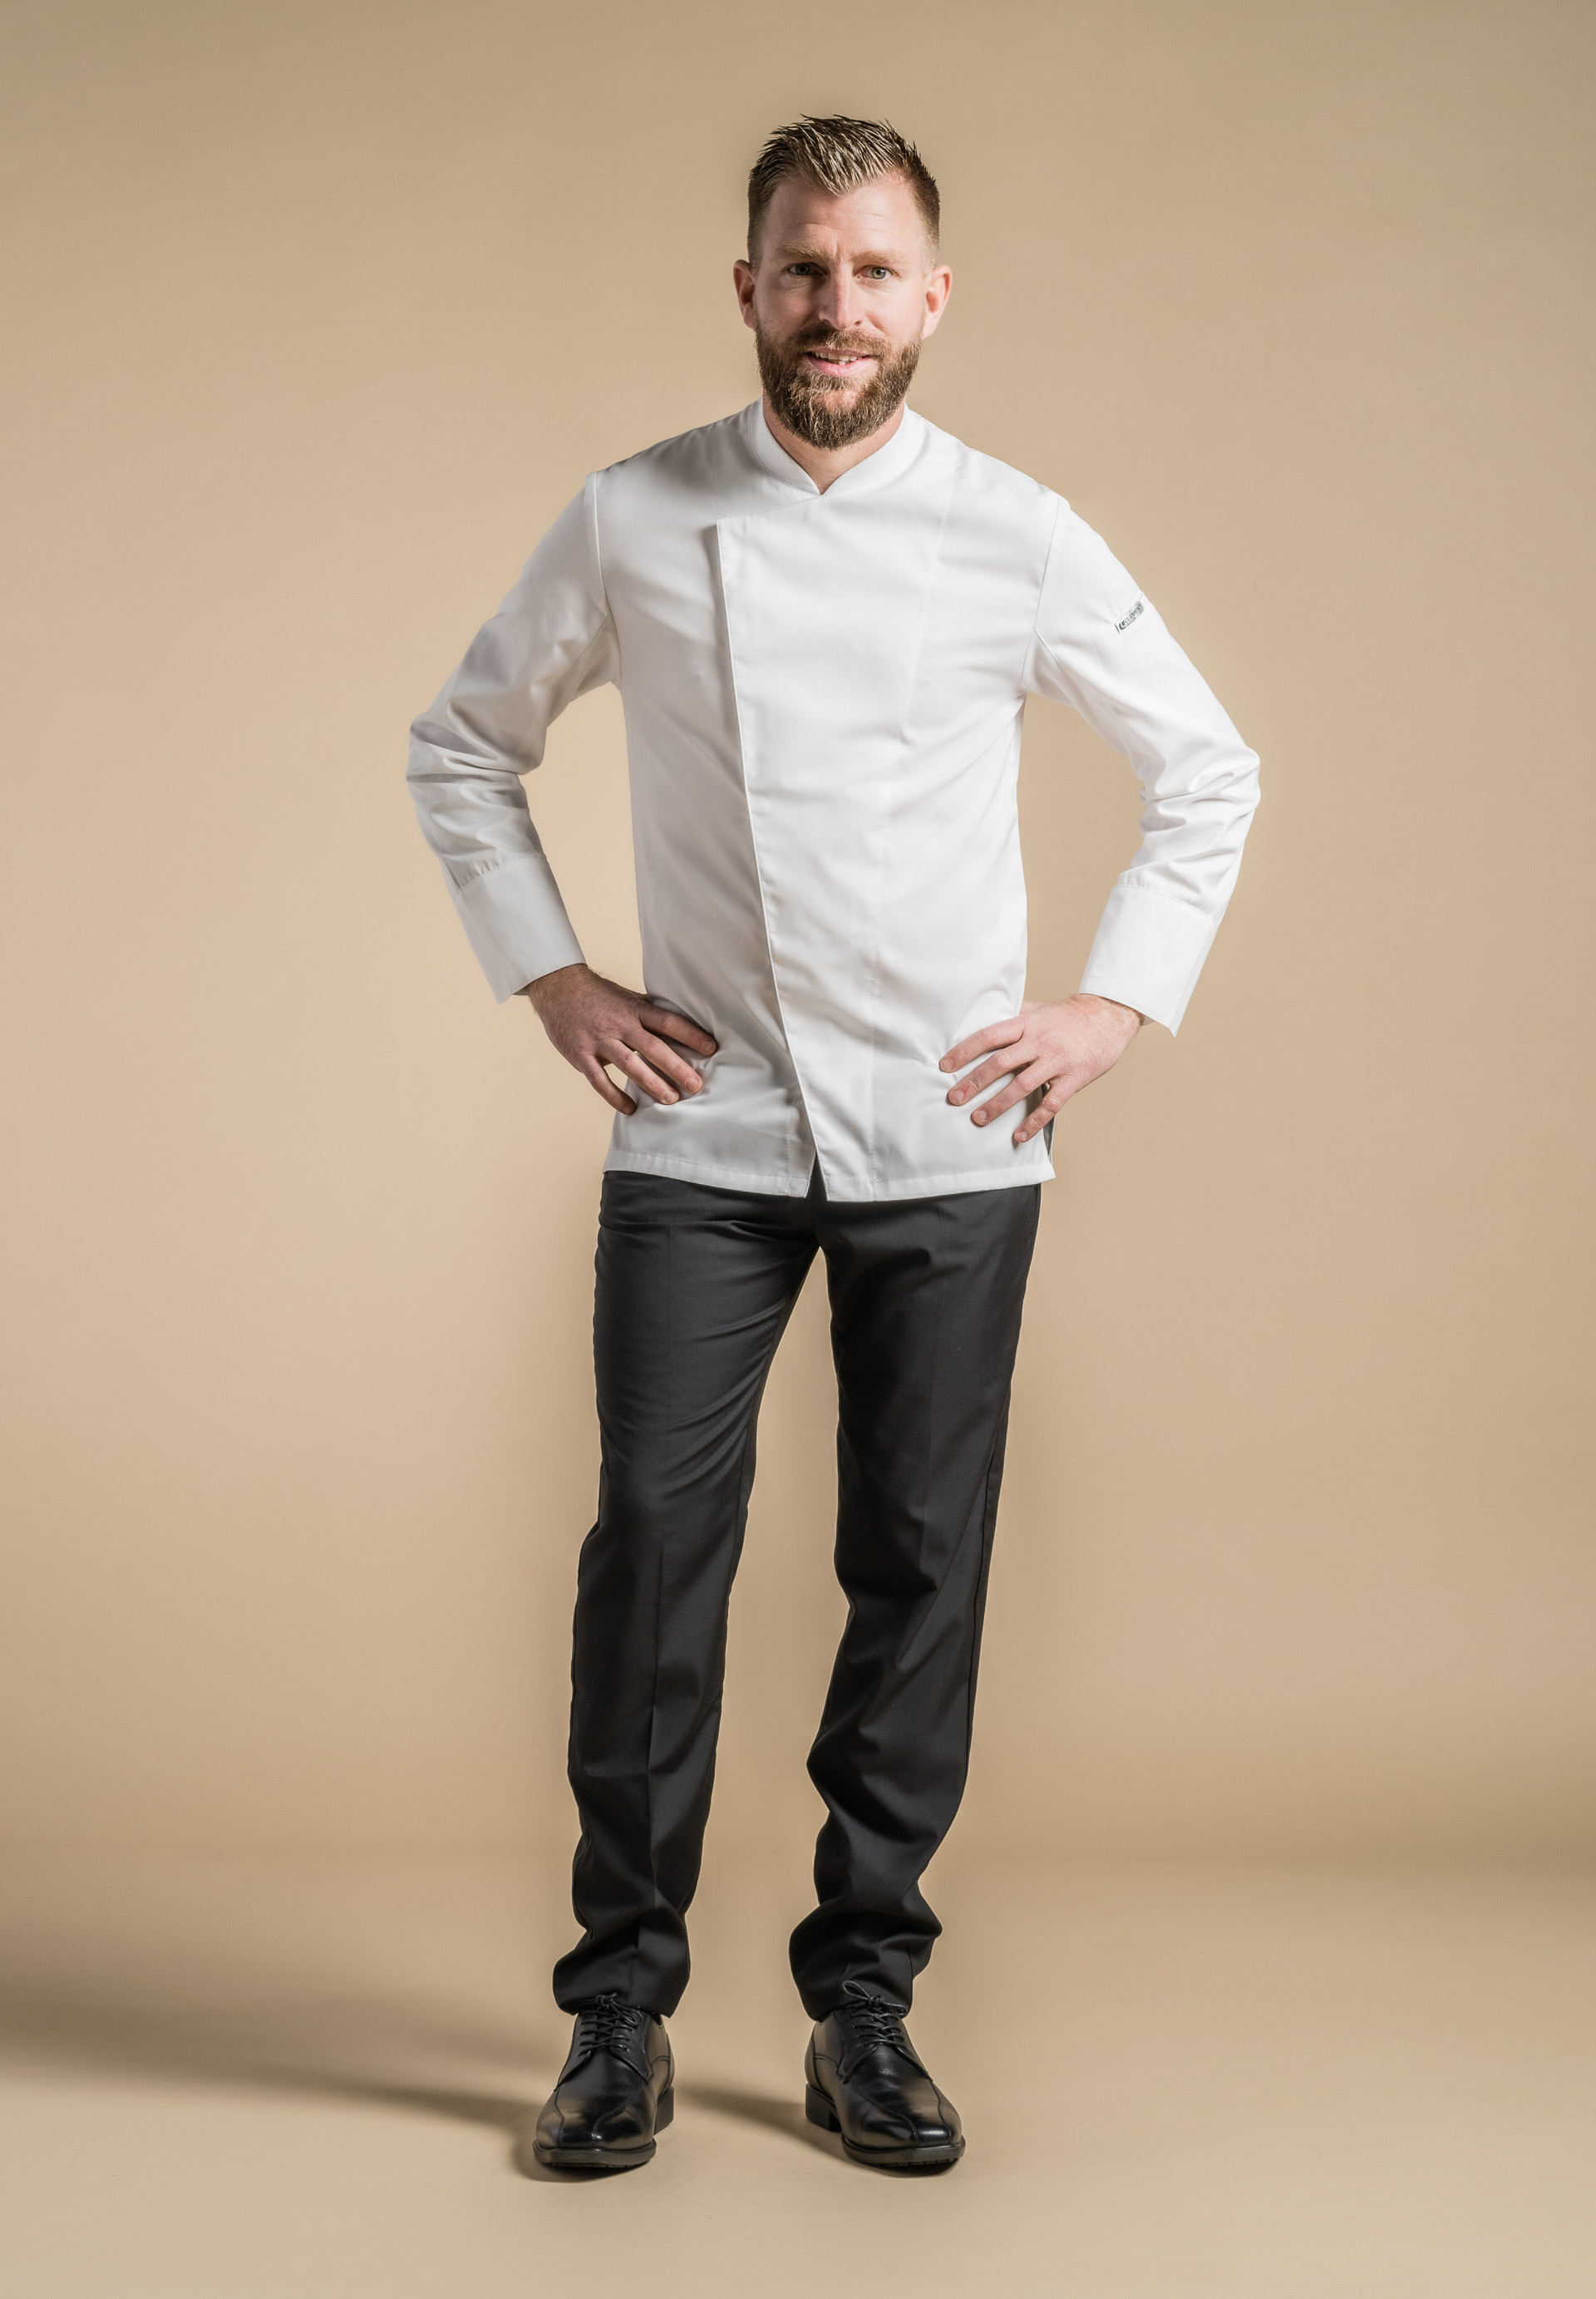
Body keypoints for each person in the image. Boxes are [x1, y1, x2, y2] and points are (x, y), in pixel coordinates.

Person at [407, 114, 1260, 2176]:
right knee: (655, 1551)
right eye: (803, 267)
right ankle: (617, 2014)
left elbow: (1208, 771)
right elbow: (461, 745)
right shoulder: (634, 514)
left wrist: (1109, 1008)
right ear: (749, 288)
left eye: (875, 272)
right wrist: (557, 984)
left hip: (950, 1135)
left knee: (920, 1565)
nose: (837, 307)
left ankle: (865, 2003)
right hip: (703, 1125)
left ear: (932, 298)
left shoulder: (1014, 529)